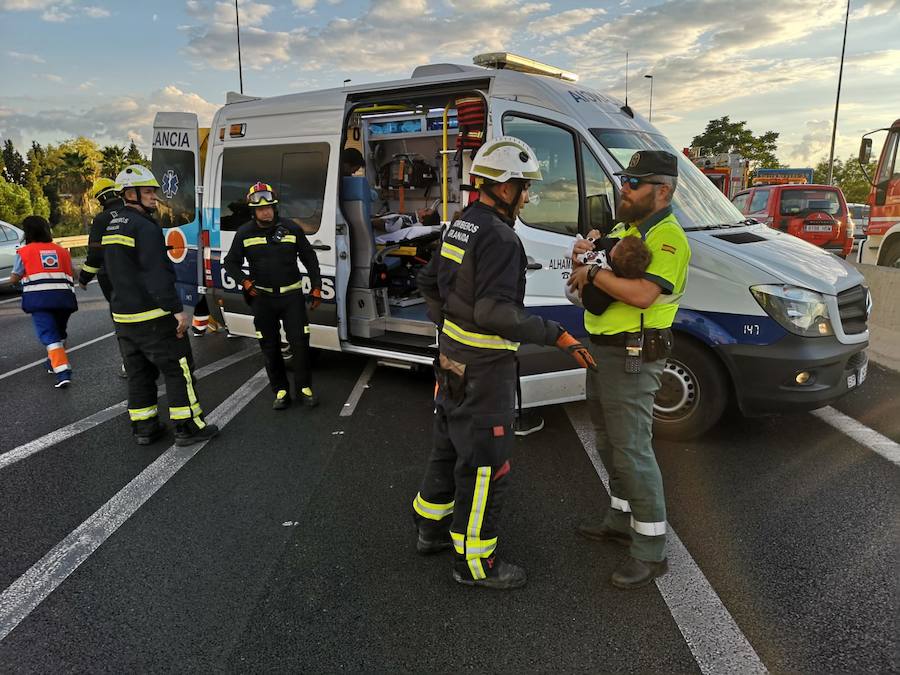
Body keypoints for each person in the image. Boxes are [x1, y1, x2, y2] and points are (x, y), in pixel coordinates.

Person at [411, 136, 597, 590]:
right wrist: (559, 335)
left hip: (452, 361)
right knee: (484, 465)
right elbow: (495, 314)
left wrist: (448, 329)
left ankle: (430, 531)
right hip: (485, 371)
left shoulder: (462, 224)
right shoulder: (500, 237)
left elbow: (428, 281)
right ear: (502, 187)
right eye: (524, 186)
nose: (529, 196)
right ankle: (474, 565)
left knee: (447, 447)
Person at [567, 150, 691, 589]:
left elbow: (641, 295)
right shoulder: (626, 230)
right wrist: (588, 256)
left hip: (633, 356)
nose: (625, 188)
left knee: (633, 449)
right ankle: (621, 519)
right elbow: (582, 268)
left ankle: (651, 550)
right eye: (625, 181)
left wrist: (593, 272)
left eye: (634, 183)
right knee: (607, 441)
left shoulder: (669, 238)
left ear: (662, 190)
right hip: (601, 350)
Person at [103, 164, 219, 447]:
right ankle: (188, 427)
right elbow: (157, 273)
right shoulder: (145, 227)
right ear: (130, 194)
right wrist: (176, 309)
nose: (154, 197)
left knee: (139, 373)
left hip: (124, 317)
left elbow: (104, 273)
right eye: (148, 192)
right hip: (153, 316)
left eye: (154, 192)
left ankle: (145, 427)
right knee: (178, 369)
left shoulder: (111, 224)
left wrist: (118, 305)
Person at [223, 182, 323, 410]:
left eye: (269, 207)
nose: (265, 211)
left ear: (275, 207)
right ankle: (280, 390)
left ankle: (304, 389)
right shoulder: (244, 233)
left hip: (292, 297)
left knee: (300, 344)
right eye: (260, 209)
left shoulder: (291, 229)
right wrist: (245, 281)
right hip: (263, 299)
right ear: (253, 211)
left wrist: (316, 285)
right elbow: (230, 262)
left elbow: (309, 257)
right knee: (270, 346)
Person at [9, 215, 78, 388]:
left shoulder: (24, 252)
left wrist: (16, 280)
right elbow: (74, 273)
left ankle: (63, 372)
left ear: (27, 233)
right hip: (64, 300)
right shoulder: (61, 250)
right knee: (59, 333)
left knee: (50, 337)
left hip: (39, 301)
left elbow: (14, 277)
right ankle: (51, 364)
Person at [78, 176, 128, 378]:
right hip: (138, 275)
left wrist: (83, 278)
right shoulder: (133, 213)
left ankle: (129, 362)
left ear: (100, 199)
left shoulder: (101, 220)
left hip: (112, 278)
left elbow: (95, 255)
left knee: (122, 321)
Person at [564, 235, 652, 315]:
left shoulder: (601, 260)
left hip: (575, 291)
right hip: (592, 306)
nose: (616, 242)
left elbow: (579, 256)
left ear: (612, 254)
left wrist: (587, 239)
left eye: (617, 244)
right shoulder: (624, 272)